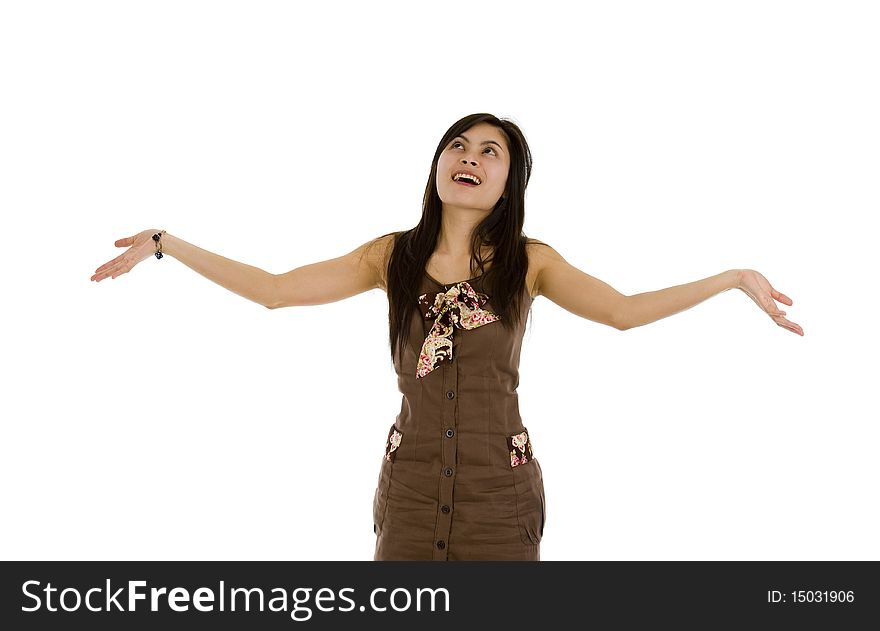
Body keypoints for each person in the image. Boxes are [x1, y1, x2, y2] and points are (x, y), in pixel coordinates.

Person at [91, 112, 804, 561]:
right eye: (458, 144)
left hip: (502, 497)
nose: (470, 155)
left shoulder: (532, 263)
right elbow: (276, 289)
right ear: (438, 165)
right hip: (409, 493)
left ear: (509, 181)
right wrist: (167, 244)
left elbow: (622, 309)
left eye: (491, 151)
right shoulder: (390, 256)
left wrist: (732, 278)